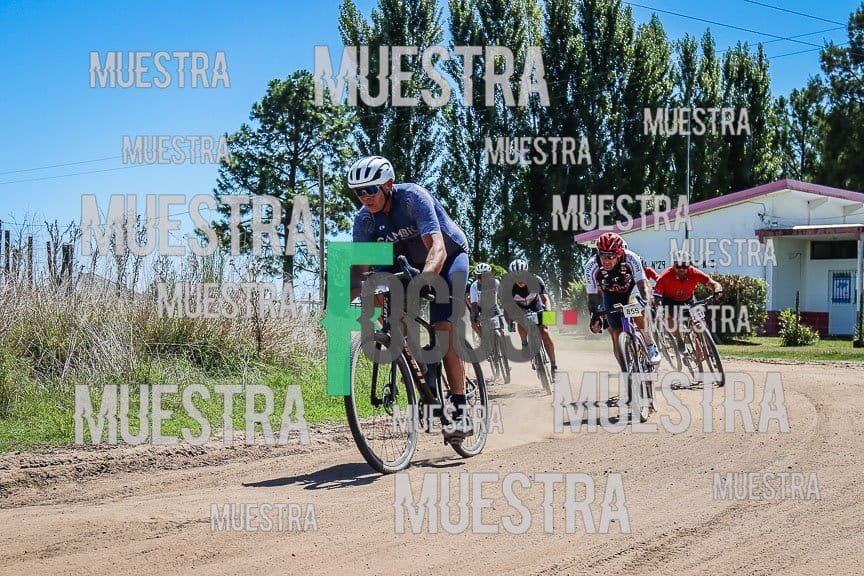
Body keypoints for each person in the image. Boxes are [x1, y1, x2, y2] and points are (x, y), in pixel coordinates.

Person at [347, 155, 472, 441]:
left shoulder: (413, 198)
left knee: (444, 328)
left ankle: (461, 409)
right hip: (402, 261)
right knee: (381, 300)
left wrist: (425, 280)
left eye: (370, 189)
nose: (365, 197)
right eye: (358, 192)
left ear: (388, 184)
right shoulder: (364, 220)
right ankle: (422, 367)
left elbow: (437, 248)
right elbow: (360, 270)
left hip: (449, 257)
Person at [585, 232, 662, 367]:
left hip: (632, 289)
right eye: (602, 255)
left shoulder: (631, 258)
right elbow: (592, 295)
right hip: (611, 294)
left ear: (619, 253)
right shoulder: (591, 266)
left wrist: (645, 301)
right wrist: (594, 315)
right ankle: (626, 369)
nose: (606, 260)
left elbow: (642, 283)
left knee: (634, 306)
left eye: (610, 256)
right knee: (616, 332)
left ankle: (650, 344)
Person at [653, 251, 724, 352]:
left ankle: (705, 344)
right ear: (673, 265)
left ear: (689, 265)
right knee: (669, 319)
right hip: (670, 301)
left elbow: (714, 284)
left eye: (685, 265)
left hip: (688, 300)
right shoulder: (665, 276)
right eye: (678, 266)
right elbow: (656, 297)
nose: (681, 269)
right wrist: (660, 308)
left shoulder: (694, 273)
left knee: (699, 321)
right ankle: (679, 340)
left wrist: (717, 290)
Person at [505, 258, 558, 377]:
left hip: (535, 304)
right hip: (519, 308)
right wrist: (509, 322)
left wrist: (548, 313)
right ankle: (524, 343)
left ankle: (554, 365)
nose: (520, 279)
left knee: (544, 332)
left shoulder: (536, 280)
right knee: (519, 321)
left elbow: (545, 299)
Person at [468, 263, 501, 337]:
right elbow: (474, 303)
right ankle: (481, 336)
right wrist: (476, 315)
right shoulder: (474, 286)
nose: (482, 279)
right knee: (473, 320)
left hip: (493, 306)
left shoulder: (495, 282)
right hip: (479, 307)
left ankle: (501, 339)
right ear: (476, 277)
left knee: (501, 327)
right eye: (479, 276)